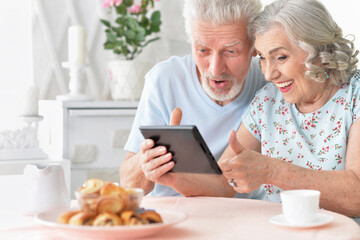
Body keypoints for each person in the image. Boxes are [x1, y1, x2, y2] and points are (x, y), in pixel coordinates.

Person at [218, 0, 360, 217]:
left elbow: (356, 195)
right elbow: (221, 182)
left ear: (320, 50)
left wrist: (271, 171)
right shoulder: (268, 101)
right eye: (263, 58)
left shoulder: (355, 95)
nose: (268, 74)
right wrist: (172, 174)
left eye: (280, 57)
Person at [119, 0, 266, 197]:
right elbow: (129, 185)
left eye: (231, 51)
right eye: (203, 50)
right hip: (173, 212)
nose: (215, 69)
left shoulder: (270, 83)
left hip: (241, 215)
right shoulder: (164, 80)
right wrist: (146, 162)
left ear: (255, 46)